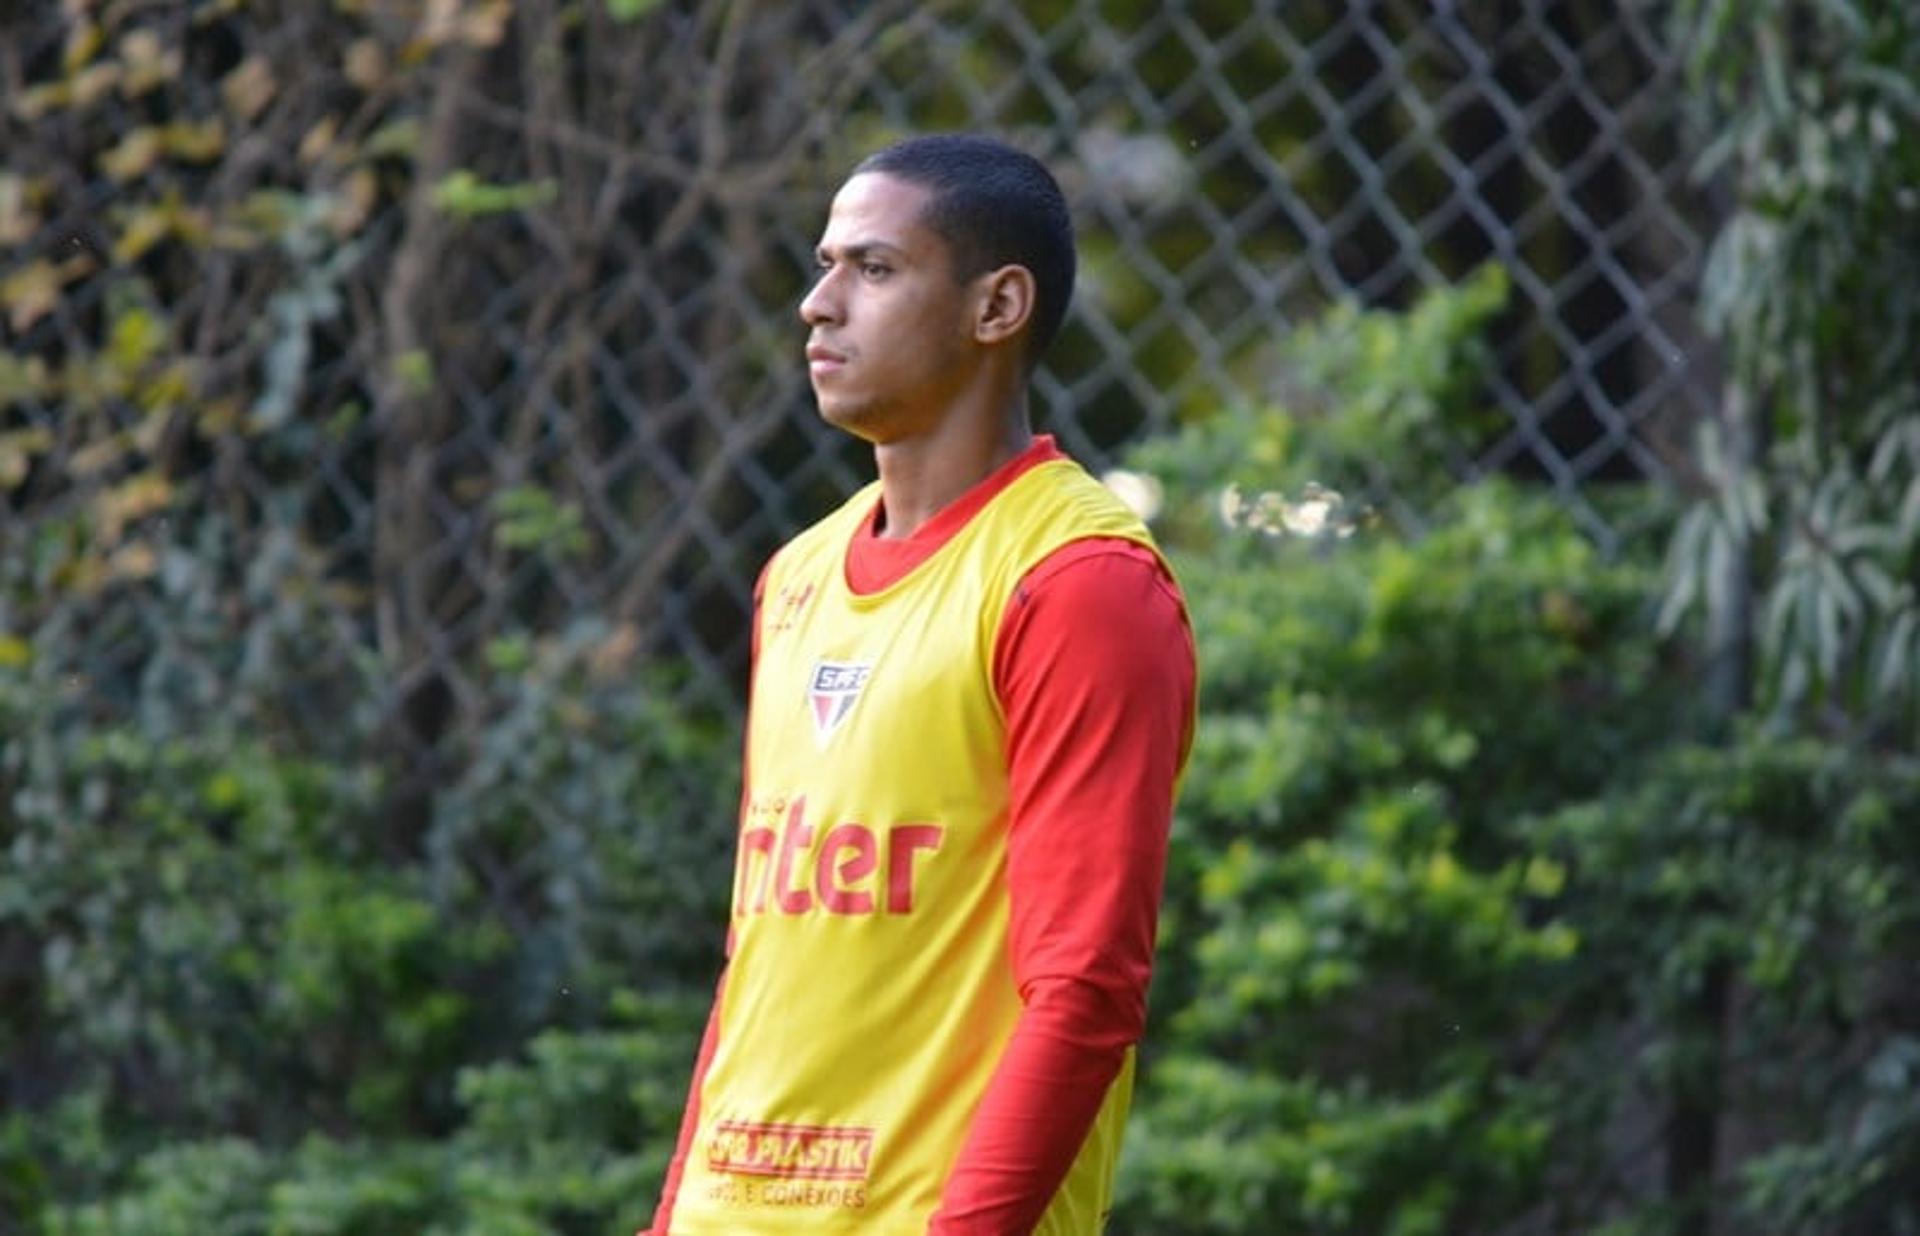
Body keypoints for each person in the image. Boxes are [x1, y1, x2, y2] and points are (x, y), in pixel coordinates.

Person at [645, 133, 1195, 1236]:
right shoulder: (796, 576)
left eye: (875, 269)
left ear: (997, 308)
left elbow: (1084, 994)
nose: (818, 303)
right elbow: (761, 957)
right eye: (824, 263)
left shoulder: (1078, 583)